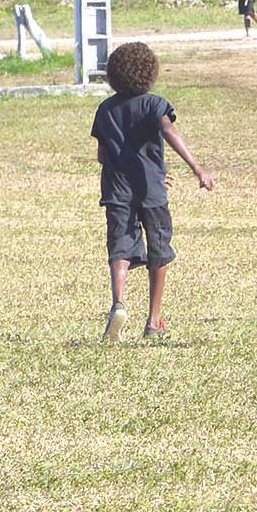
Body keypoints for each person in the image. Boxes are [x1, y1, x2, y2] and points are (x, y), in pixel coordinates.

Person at [91, 41, 214, 342]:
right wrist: (197, 168)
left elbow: (102, 156)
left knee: (120, 247)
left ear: (113, 75)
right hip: (152, 189)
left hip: (116, 189)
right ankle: (153, 320)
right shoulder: (154, 104)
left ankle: (118, 303)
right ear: (150, 73)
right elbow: (168, 131)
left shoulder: (105, 109)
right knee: (159, 249)